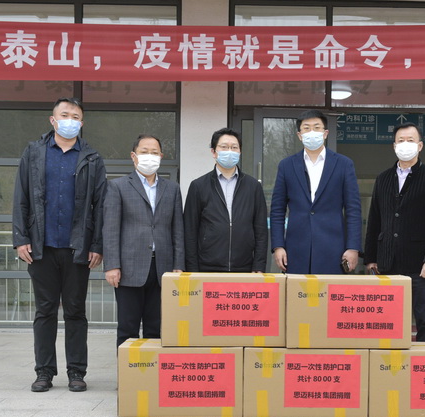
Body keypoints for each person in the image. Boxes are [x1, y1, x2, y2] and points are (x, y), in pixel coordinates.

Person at [13, 97, 106, 393]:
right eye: (64, 115)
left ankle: (76, 371)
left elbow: (100, 205)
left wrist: (97, 244)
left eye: (75, 116)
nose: (70, 120)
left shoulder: (92, 158)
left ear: (82, 123)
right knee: (45, 310)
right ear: (52, 120)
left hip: (78, 248)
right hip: (41, 246)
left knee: (76, 311)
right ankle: (44, 372)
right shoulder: (34, 152)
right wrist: (21, 239)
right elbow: (21, 197)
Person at [364, 123, 425, 342]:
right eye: (400, 141)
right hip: (387, 262)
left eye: (410, 140)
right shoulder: (383, 178)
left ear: (420, 146)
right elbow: (375, 220)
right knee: (386, 319)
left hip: (420, 264)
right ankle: (388, 361)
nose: (405, 145)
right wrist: (371, 257)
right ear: (394, 146)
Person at [103, 134, 185, 348]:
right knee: (127, 327)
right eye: (144, 152)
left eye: (154, 152)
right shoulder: (118, 186)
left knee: (156, 328)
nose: (150, 156)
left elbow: (177, 230)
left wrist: (179, 265)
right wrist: (112, 265)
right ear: (134, 156)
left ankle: (152, 369)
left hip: (162, 268)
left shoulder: (172, 189)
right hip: (129, 269)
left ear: (161, 156)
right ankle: (127, 369)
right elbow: (110, 229)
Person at [270, 109, 361, 274]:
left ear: (325, 133)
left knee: (329, 291)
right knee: (297, 291)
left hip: (334, 249)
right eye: (306, 128)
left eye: (317, 127)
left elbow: (353, 209)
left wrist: (353, 247)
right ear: (299, 135)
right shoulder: (287, 165)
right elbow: (277, 210)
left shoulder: (343, 164)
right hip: (296, 250)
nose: (312, 132)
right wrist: (278, 246)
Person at [183, 128, 267, 272]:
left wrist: (259, 266)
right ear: (213, 152)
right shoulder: (198, 186)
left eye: (234, 147)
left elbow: (261, 230)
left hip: (244, 267)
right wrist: (192, 269)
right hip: (207, 267)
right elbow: (190, 231)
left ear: (240, 152)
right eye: (224, 147)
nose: (229, 151)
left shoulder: (253, 186)